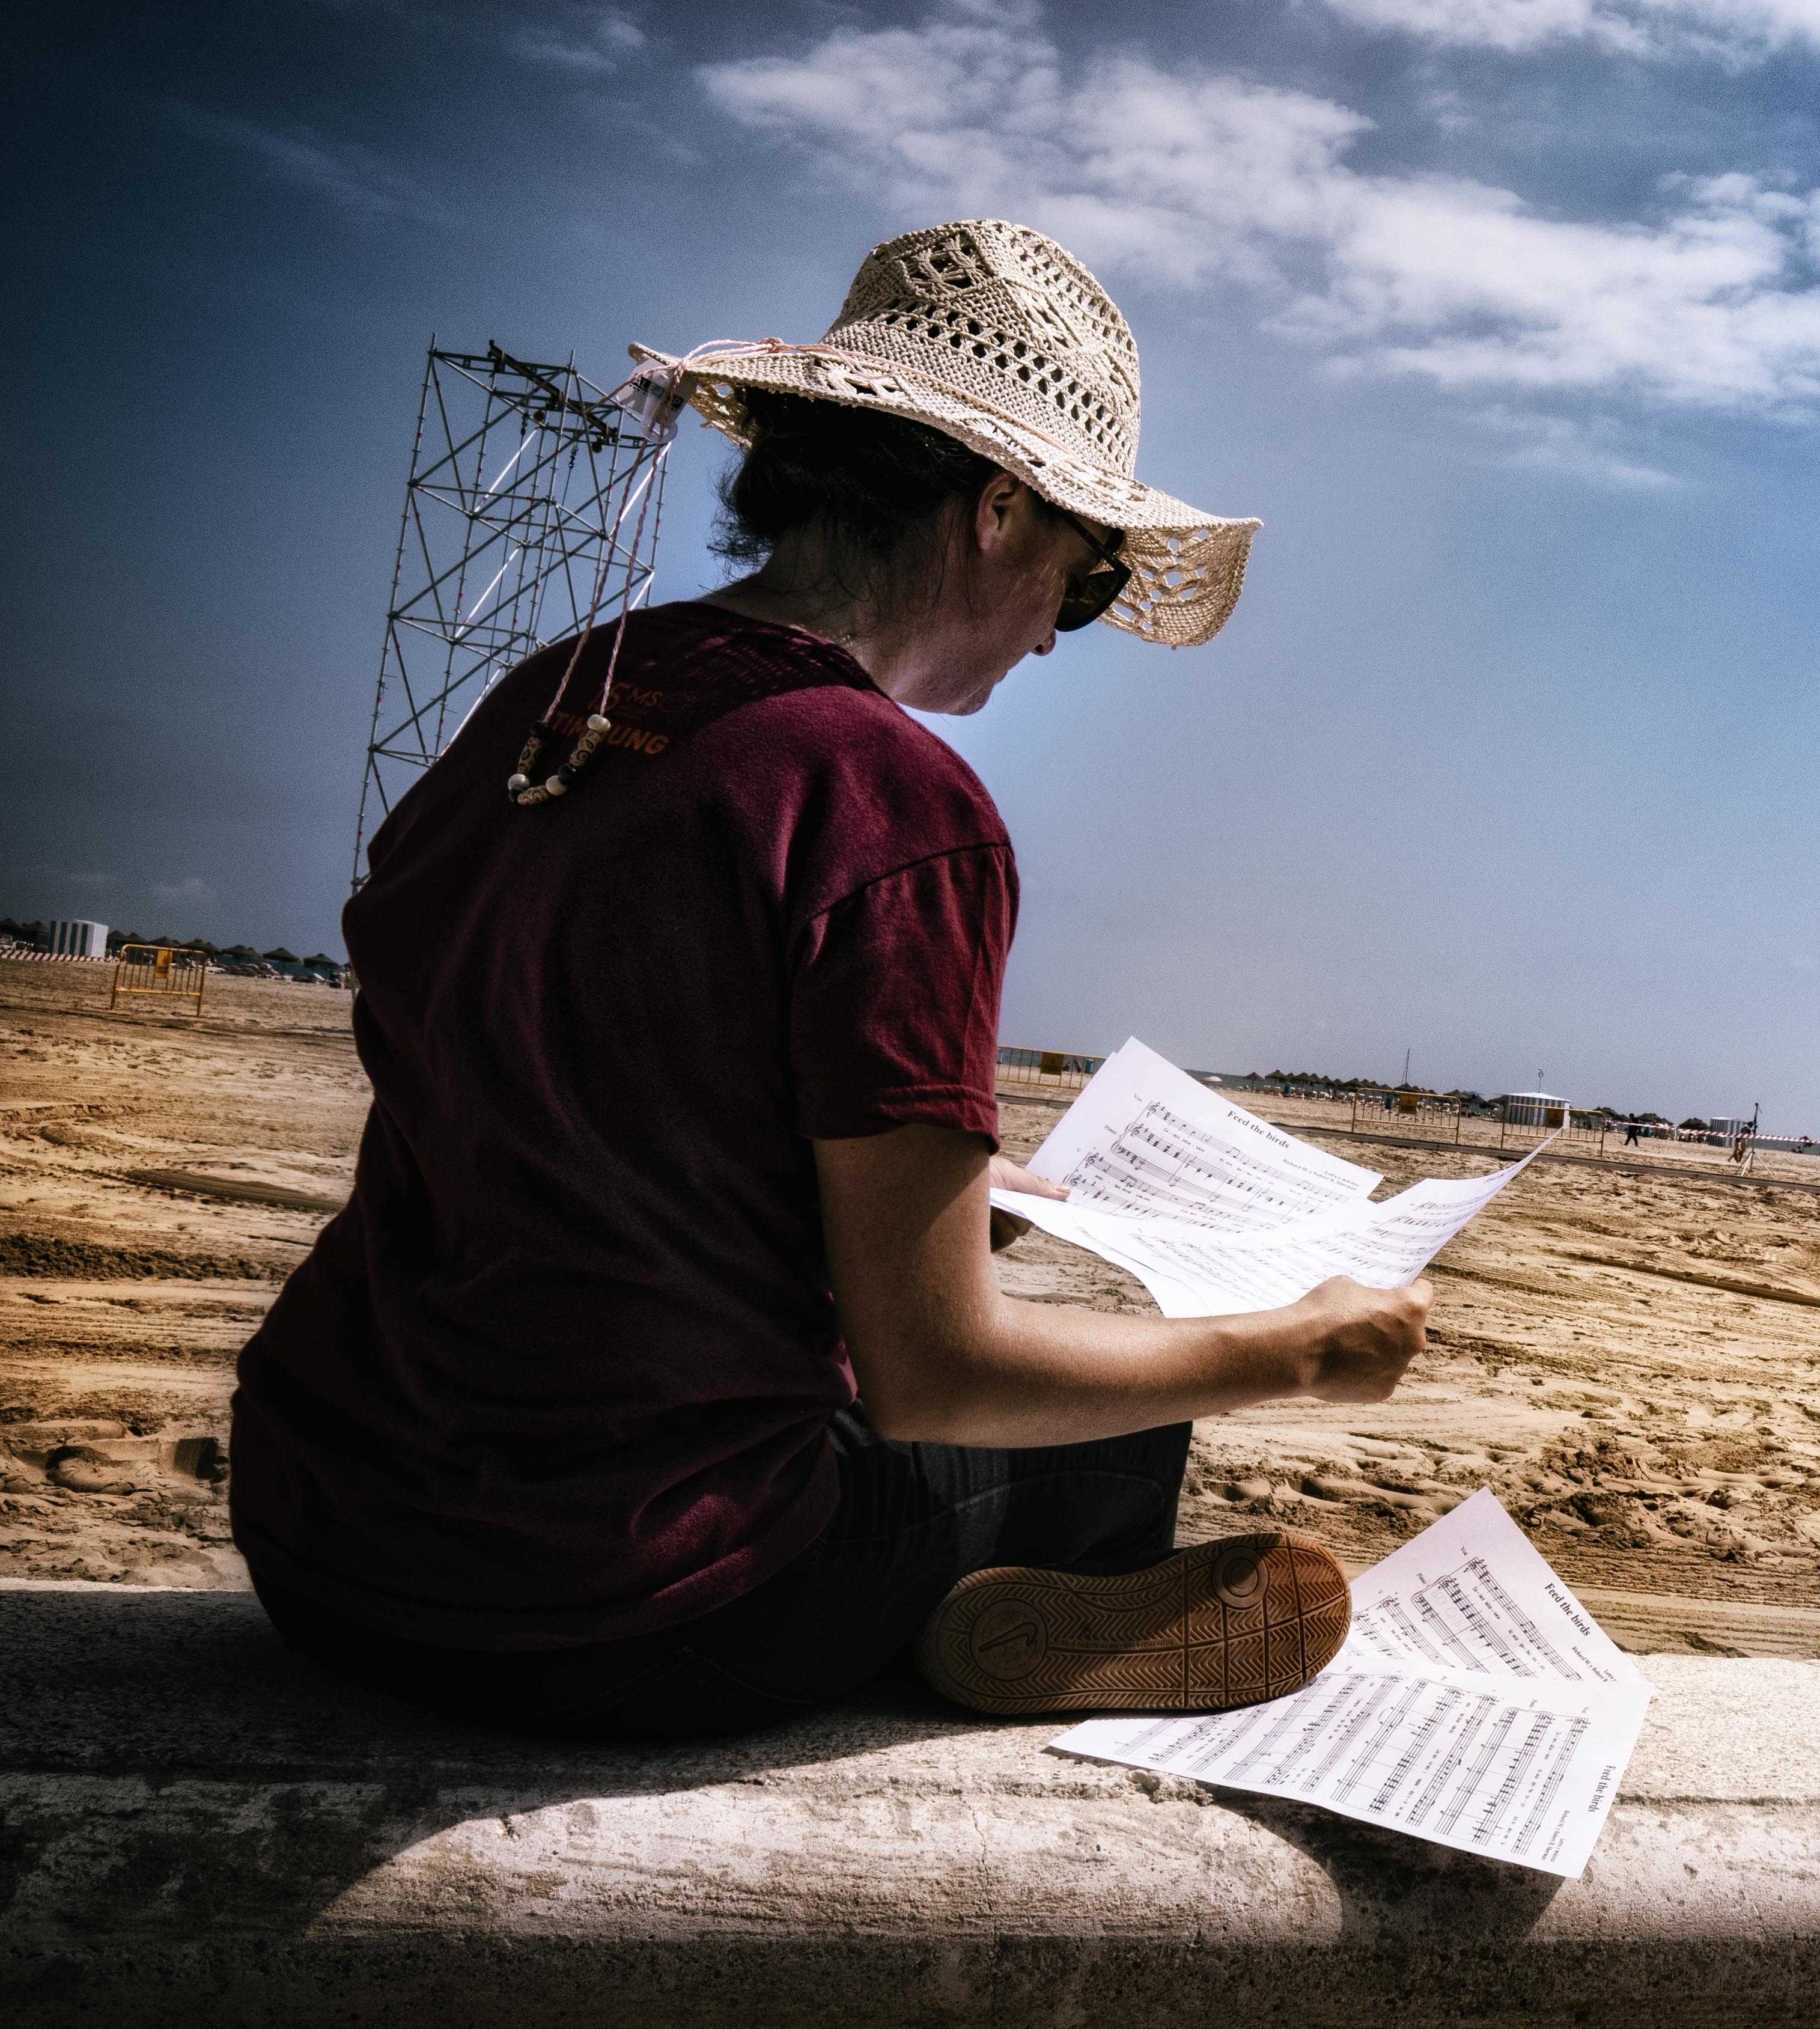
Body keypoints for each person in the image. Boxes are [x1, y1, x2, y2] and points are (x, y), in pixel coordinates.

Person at [229, 221, 1430, 1741]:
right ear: (998, 512)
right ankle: (946, 1623)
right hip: (619, 1615)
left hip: (323, 1538)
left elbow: (562, 1089)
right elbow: (939, 1369)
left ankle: (945, 1608)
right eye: (1083, 579)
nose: (1060, 642)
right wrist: (1301, 1352)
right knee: (1119, 1434)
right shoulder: (890, 804)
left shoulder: (560, 696)